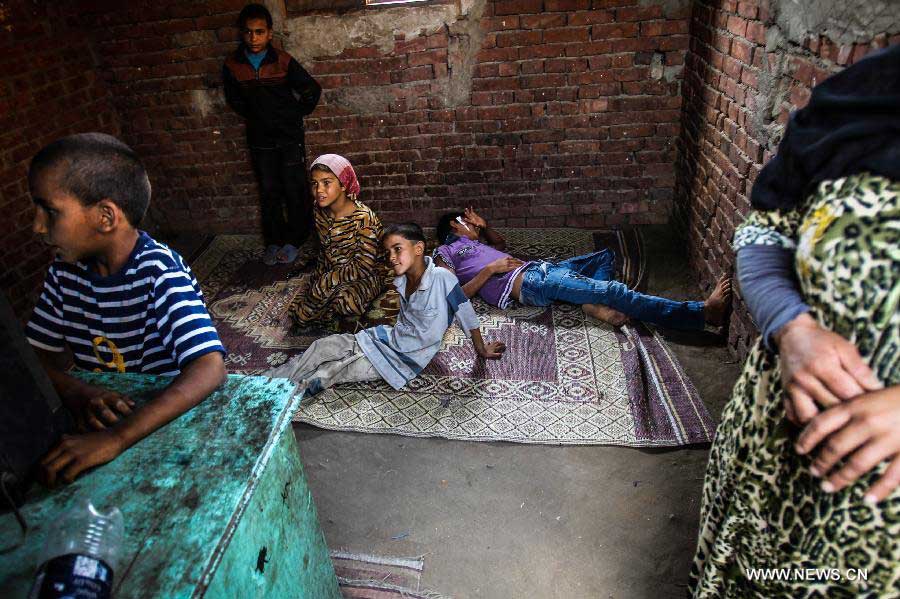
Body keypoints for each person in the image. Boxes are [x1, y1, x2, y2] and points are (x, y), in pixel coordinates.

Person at [690, 44, 900, 597]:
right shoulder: (861, 98)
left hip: (876, 528)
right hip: (770, 450)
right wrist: (793, 325)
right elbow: (766, 229)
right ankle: (689, 311)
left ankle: (684, 310)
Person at [24, 133, 227, 486]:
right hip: (109, 416)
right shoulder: (64, 274)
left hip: (165, 421)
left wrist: (115, 439)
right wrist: (80, 392)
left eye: (50, 211)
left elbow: (209, 368)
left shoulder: (159, 272)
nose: (37, 226)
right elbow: (34, 358)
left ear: (105, 217)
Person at [268, 223, 505, 393]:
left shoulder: (443, 278)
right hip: (387, 338)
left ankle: (278, 396)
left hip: (405, 357)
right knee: (323, 346)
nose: (391, 257)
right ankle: (267, 381)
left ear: (419, 249)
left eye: (397, 249)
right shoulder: (400, 280)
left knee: (332, 371)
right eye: (388, 252)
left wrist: (481, 350)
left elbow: (467, 315)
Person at [433, 208, 731, 331]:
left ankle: (592, 304)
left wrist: (485, 227)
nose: (473, 223)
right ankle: (702, 313)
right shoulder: (444, 251)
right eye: (467, 220)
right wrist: (491, 270)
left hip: (541, 270)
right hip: (530, 281)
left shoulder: (476, 240)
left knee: (604, 257)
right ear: (453, 223)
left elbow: (499, 241)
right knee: (614, 290)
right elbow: (454, 294)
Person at [223, 3, 321, 266]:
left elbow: (312, 89)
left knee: (294, 188)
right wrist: (258, 117)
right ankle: (274, 241)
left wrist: (292, 115)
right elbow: (234, 99)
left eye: (259, 32)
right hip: (260, 139)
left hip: (289, 138)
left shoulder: (283, 60)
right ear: (241, 34)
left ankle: (296, 239)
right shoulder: (233, 65)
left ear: (269, 33)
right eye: (248, 32)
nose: (253, 38)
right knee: (268, 191)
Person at [289, 154, 393, 328]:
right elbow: (324, 249)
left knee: (346, 304)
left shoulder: (363, 218)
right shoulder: (319, 210)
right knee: (304, 310)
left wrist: (328, 281)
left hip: (365, 274)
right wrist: (320, 280)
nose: (319, 190)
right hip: (334, 270)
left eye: (326, 183)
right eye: (315, 184)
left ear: (344, 184)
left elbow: (364, 266)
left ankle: (362, 293)